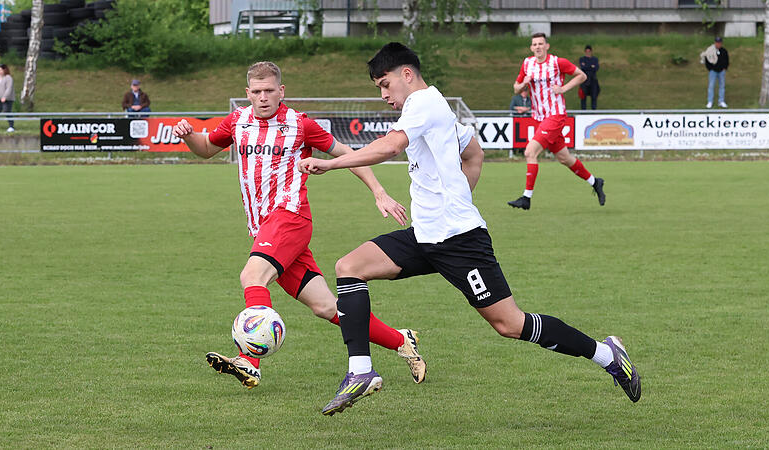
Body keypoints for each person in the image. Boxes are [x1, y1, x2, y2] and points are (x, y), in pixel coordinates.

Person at [298, 42, 641, 416]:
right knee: (349, 267)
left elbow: (390, 147)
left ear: (406, 75)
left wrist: (332, 165)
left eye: (385, 84)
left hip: (460, 240)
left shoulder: (423, 103)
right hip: (426, 235)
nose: (383, 95)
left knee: (510, 324)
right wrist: (459, 192)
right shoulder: (434, 105)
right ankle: (360, 371)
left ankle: (606, 353)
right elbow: (473, 151)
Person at [171, 61, 426, 391]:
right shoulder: (238, 121)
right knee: (326, 307)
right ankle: (401, 340)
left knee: (252, 275)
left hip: (290, 218)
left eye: (269, 91)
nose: (263, 97)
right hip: (264, 227)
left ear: (281, 91)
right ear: (247, 94)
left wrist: (379, 192)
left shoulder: (299, 124)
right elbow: (206, 149)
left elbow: (345, 152)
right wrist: (190, 136)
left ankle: (249, 361)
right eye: (257, 92)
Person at [508, 33, 606, 211]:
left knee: (530, 152)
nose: (537, 47)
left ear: (547, 46)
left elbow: (581, 76)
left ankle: (526, 198)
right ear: (531, 48)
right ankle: (595, 181)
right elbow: (516, 88)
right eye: (534, 44)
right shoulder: (527, 64)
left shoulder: (556, 62)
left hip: (555, 116)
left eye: (540, 44)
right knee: (564, 158)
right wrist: (523, 84)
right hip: (538, 118)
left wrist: (563, 88)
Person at [700, 37, 729, 108]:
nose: (718, 44)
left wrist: (725, 68)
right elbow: (707, 59)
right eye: (717, 42)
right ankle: (710, 101)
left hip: (721, 71)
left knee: (722, 86)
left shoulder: (724, 51)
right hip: (713, 71)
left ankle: (721, 101)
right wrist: (710, 69)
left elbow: (727, 60)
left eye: (719, 43)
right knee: (711, 86)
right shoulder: (710, 50)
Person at [579, 44, 600, 110]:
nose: (588, 53)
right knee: (583, 97)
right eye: (587, 51)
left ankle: (593, 112)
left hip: (593, 80)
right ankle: (583, 112)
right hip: (584, 80)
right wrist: (591, 66)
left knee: (594, 97)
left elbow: (596, 68)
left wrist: (587, 66)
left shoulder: (595, 59)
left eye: (589, 51)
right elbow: (582, 67)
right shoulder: (582, 59)